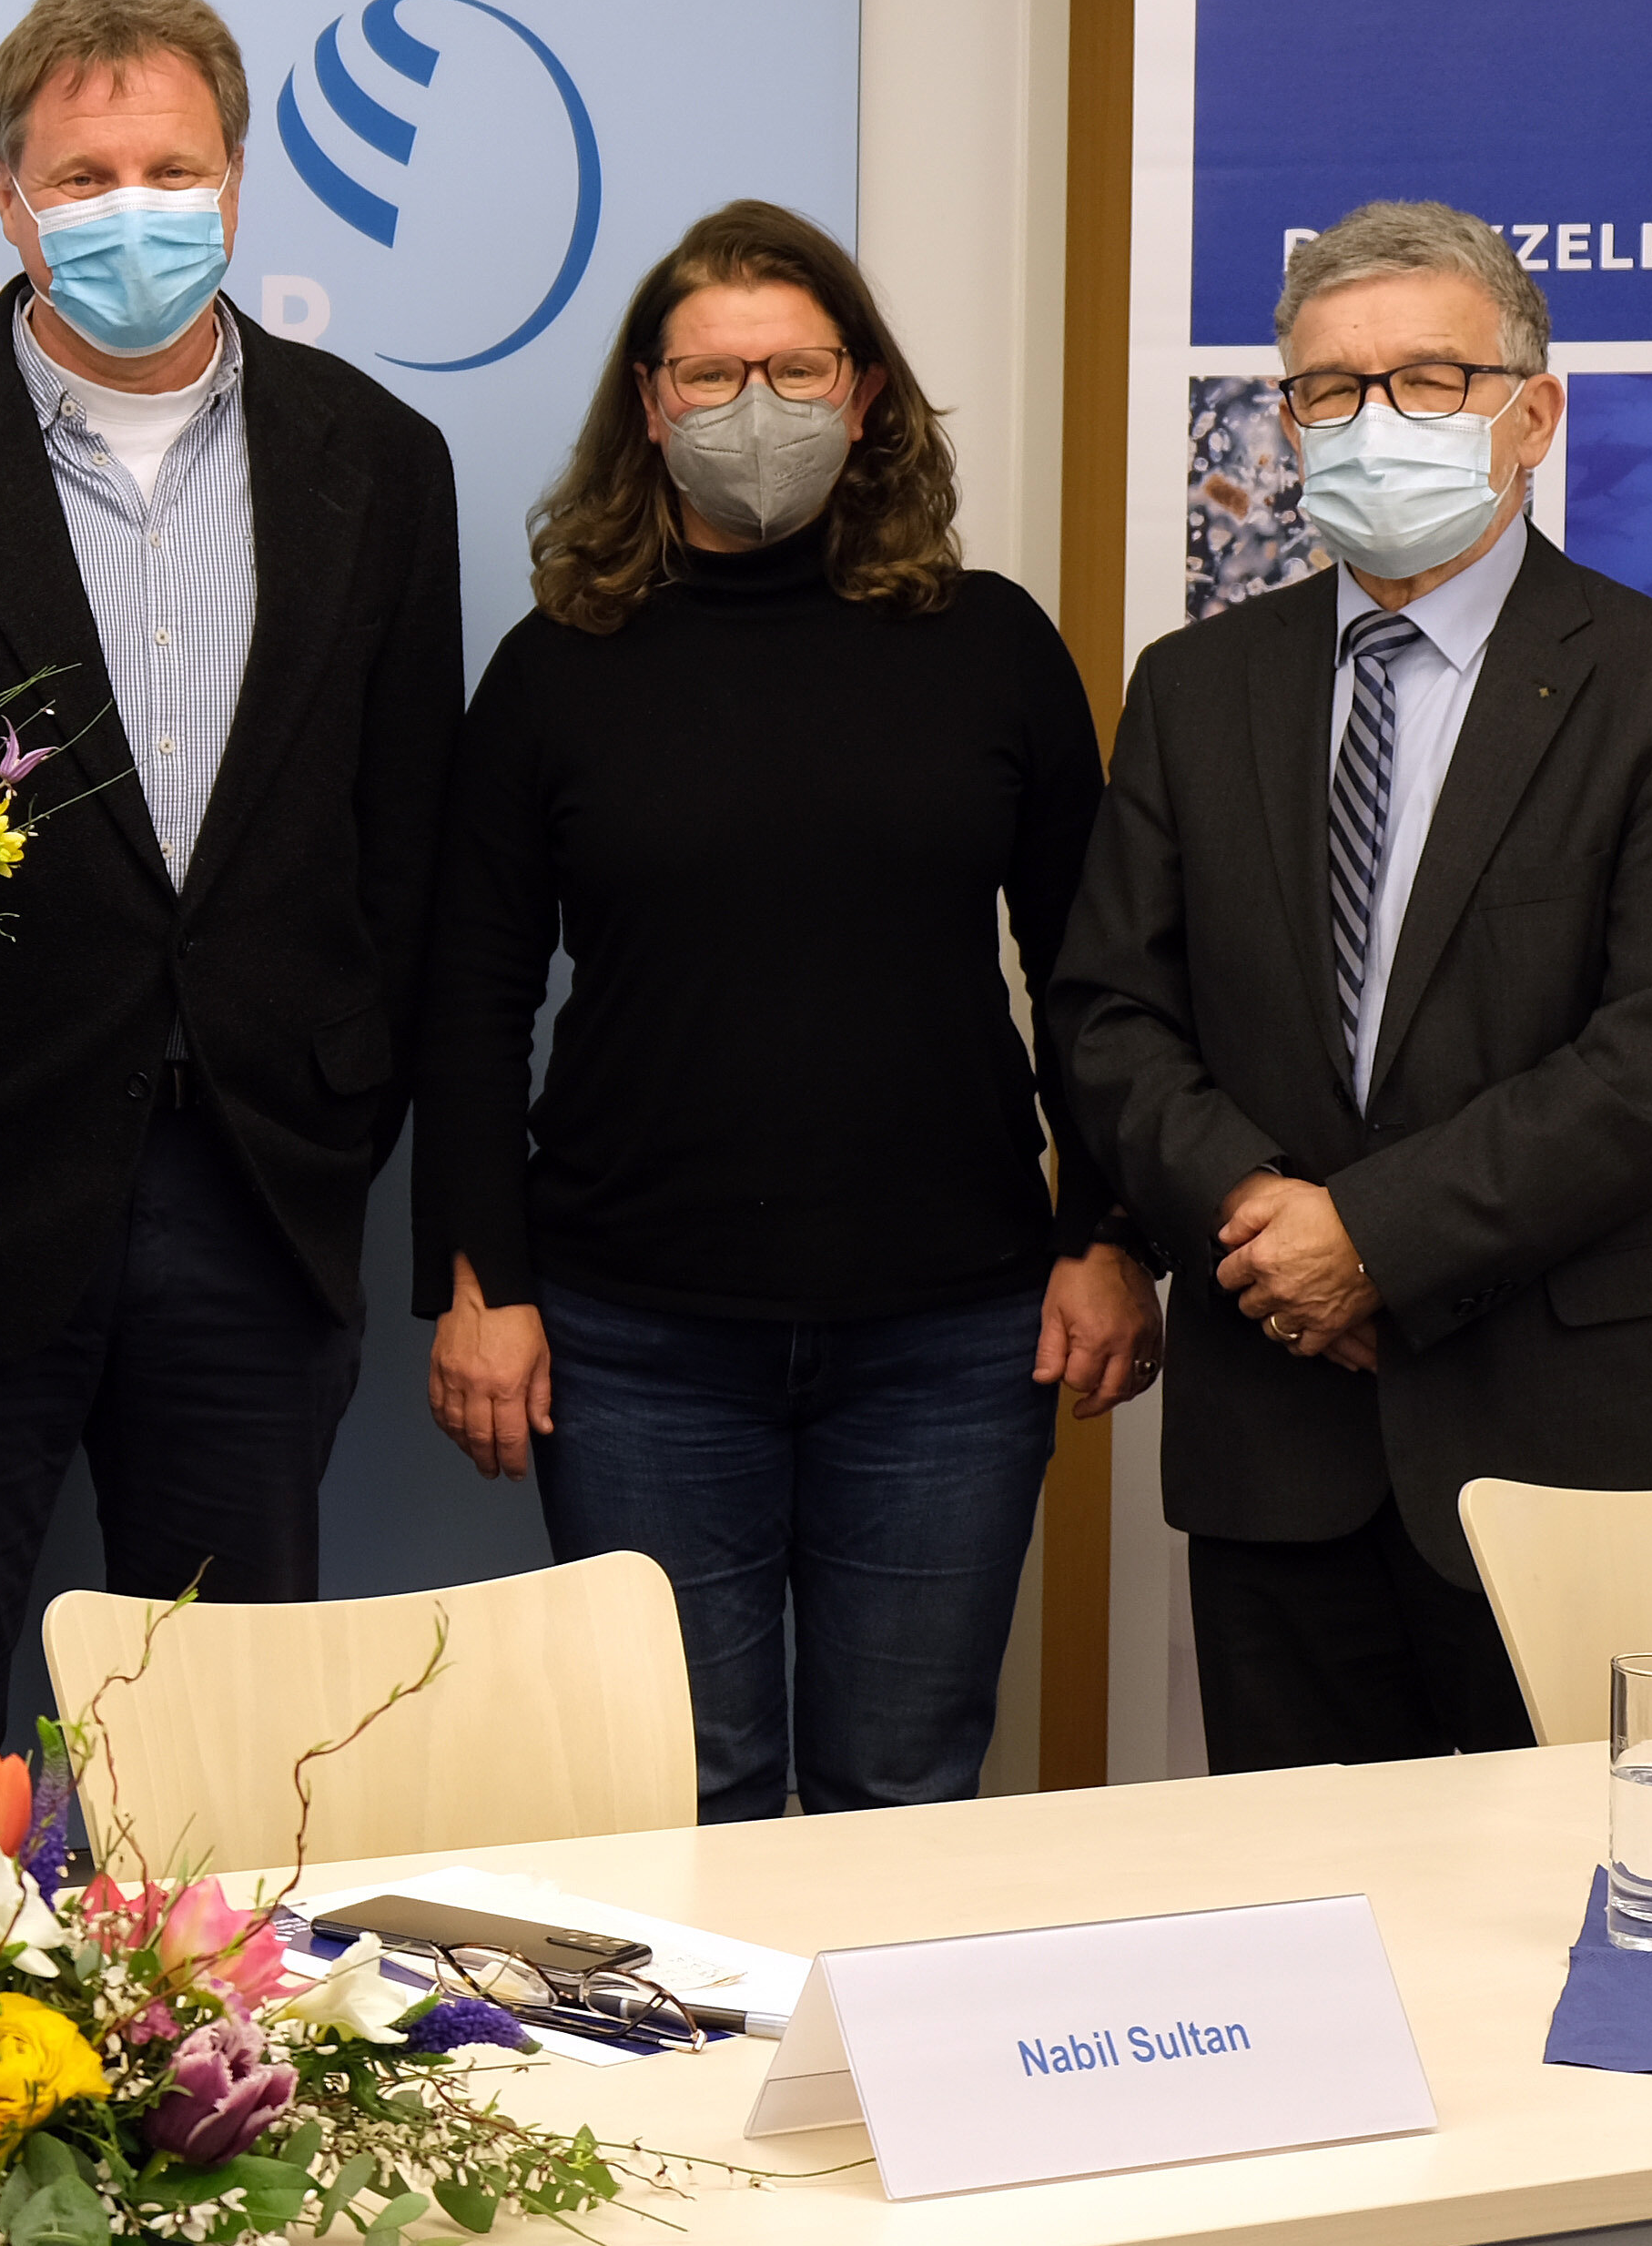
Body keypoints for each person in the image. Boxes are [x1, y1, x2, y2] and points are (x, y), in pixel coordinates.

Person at [1046, 196, 1652, 2246]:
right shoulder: (1200, 689)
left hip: (1572, 1434)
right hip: (1282, 1421)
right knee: (1309, 1933)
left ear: (1530, 410)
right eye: (1328, 388)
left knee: (1595, 1938)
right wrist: (1255, 1212)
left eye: (1426, 380)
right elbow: (1108, 1011)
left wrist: (1378, 1232)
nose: (1372, 424)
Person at [0, 0, 459, 1819]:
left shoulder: (377, 460)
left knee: (223, 1760)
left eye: (170, 169)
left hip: (260, 1193)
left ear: (235, 183)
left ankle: (195, 2015)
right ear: (8, 198)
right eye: (82, 176)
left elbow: (404, 839)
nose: (128, 208)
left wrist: (342, 1100)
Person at [413, 203, 1155, 1820]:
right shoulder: (555, 668)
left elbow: (1094, 970)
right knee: (686, 1795)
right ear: (648, 400)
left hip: (950, 1332)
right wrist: (481, 1281)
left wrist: (1104, 1231)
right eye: (711, 373)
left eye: (796, 369)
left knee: (904, 1784)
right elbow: (466, 999)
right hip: (633, 1336)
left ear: (864, 392)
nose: (755, 407)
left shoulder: (989, 645)